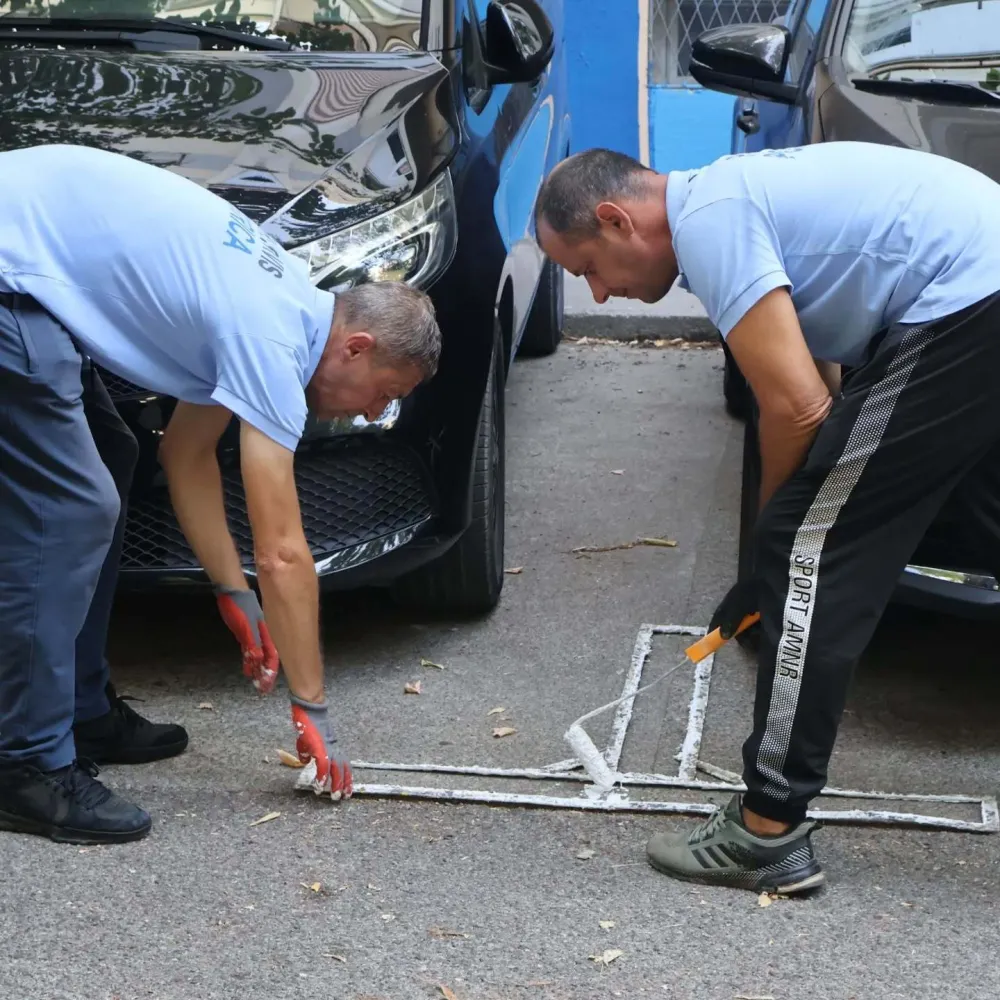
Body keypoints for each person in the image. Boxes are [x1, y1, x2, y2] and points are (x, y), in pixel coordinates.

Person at [534, 142, 1000, 894]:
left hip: (966, 299)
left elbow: (797, 407)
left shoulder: (711, 222)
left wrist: (768, 553)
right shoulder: (726, 201)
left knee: (806, 546)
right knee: (977, 525)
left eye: (587, 267)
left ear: (618, 220)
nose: (600, 294)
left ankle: (767, 828)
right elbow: (820, 376)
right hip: (977, 287)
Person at [0, 142, 441, 846]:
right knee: (75, 506)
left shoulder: (284, 301)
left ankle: (79, 709)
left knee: (114, 454)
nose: (368, 415)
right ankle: (24, 761)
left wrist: (231, 594)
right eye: (382, 395)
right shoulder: (273, 334)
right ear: (356, 347)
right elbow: (284, 554)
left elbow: (186, 451)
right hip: (10, 269)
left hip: (24, 260)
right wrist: (312, 709)